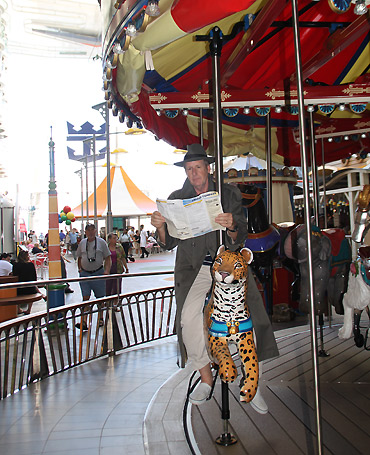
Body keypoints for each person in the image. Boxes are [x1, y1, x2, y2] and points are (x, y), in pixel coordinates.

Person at [151, 144, 279, 410]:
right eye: (189, 169)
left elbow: (241, 232)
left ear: (207, 169)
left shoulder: (228, 192)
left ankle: (252, 385)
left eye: (198, 167)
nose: (194, 174)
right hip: (196, 269)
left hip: (228, 264)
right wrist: (161, 228)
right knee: (188, 318)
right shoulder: (176, 198)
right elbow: (169, 243)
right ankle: (206, 378)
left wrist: (232, 225)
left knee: (250, 320)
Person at [76, 223, 111, 331]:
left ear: (95, 231)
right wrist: (80, 269)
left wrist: (106, 271)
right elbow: (80, 257)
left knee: (100, 298)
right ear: (85, 232)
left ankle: (100, 318)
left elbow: (108, 257)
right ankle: (84, 321)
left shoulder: (101, 242)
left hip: (98, 272)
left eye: (92, 230)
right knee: (85, 298)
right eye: (88, 230)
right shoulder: (82, 243)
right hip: (85, 274)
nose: (90, 232)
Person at [13, 249, 46, 314]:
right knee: (32, 286)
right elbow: (34, 278)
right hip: (30, 289)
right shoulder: (30, 265)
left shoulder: (15, 265)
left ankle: (18, 309)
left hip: (18, 289)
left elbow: (15, 276)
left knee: (16, 289)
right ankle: (29, 309)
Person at [106, 232, 129, 296]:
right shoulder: (106, 247)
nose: (115, 239)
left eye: (116, 238)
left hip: (118, 267)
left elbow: (123, 258)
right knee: (108, 285)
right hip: (108, 268)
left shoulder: (119, 247)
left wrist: (126, 267)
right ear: (109, 239)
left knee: (117, 286)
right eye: (113, 238)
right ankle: (108, 300)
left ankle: (117, 300)